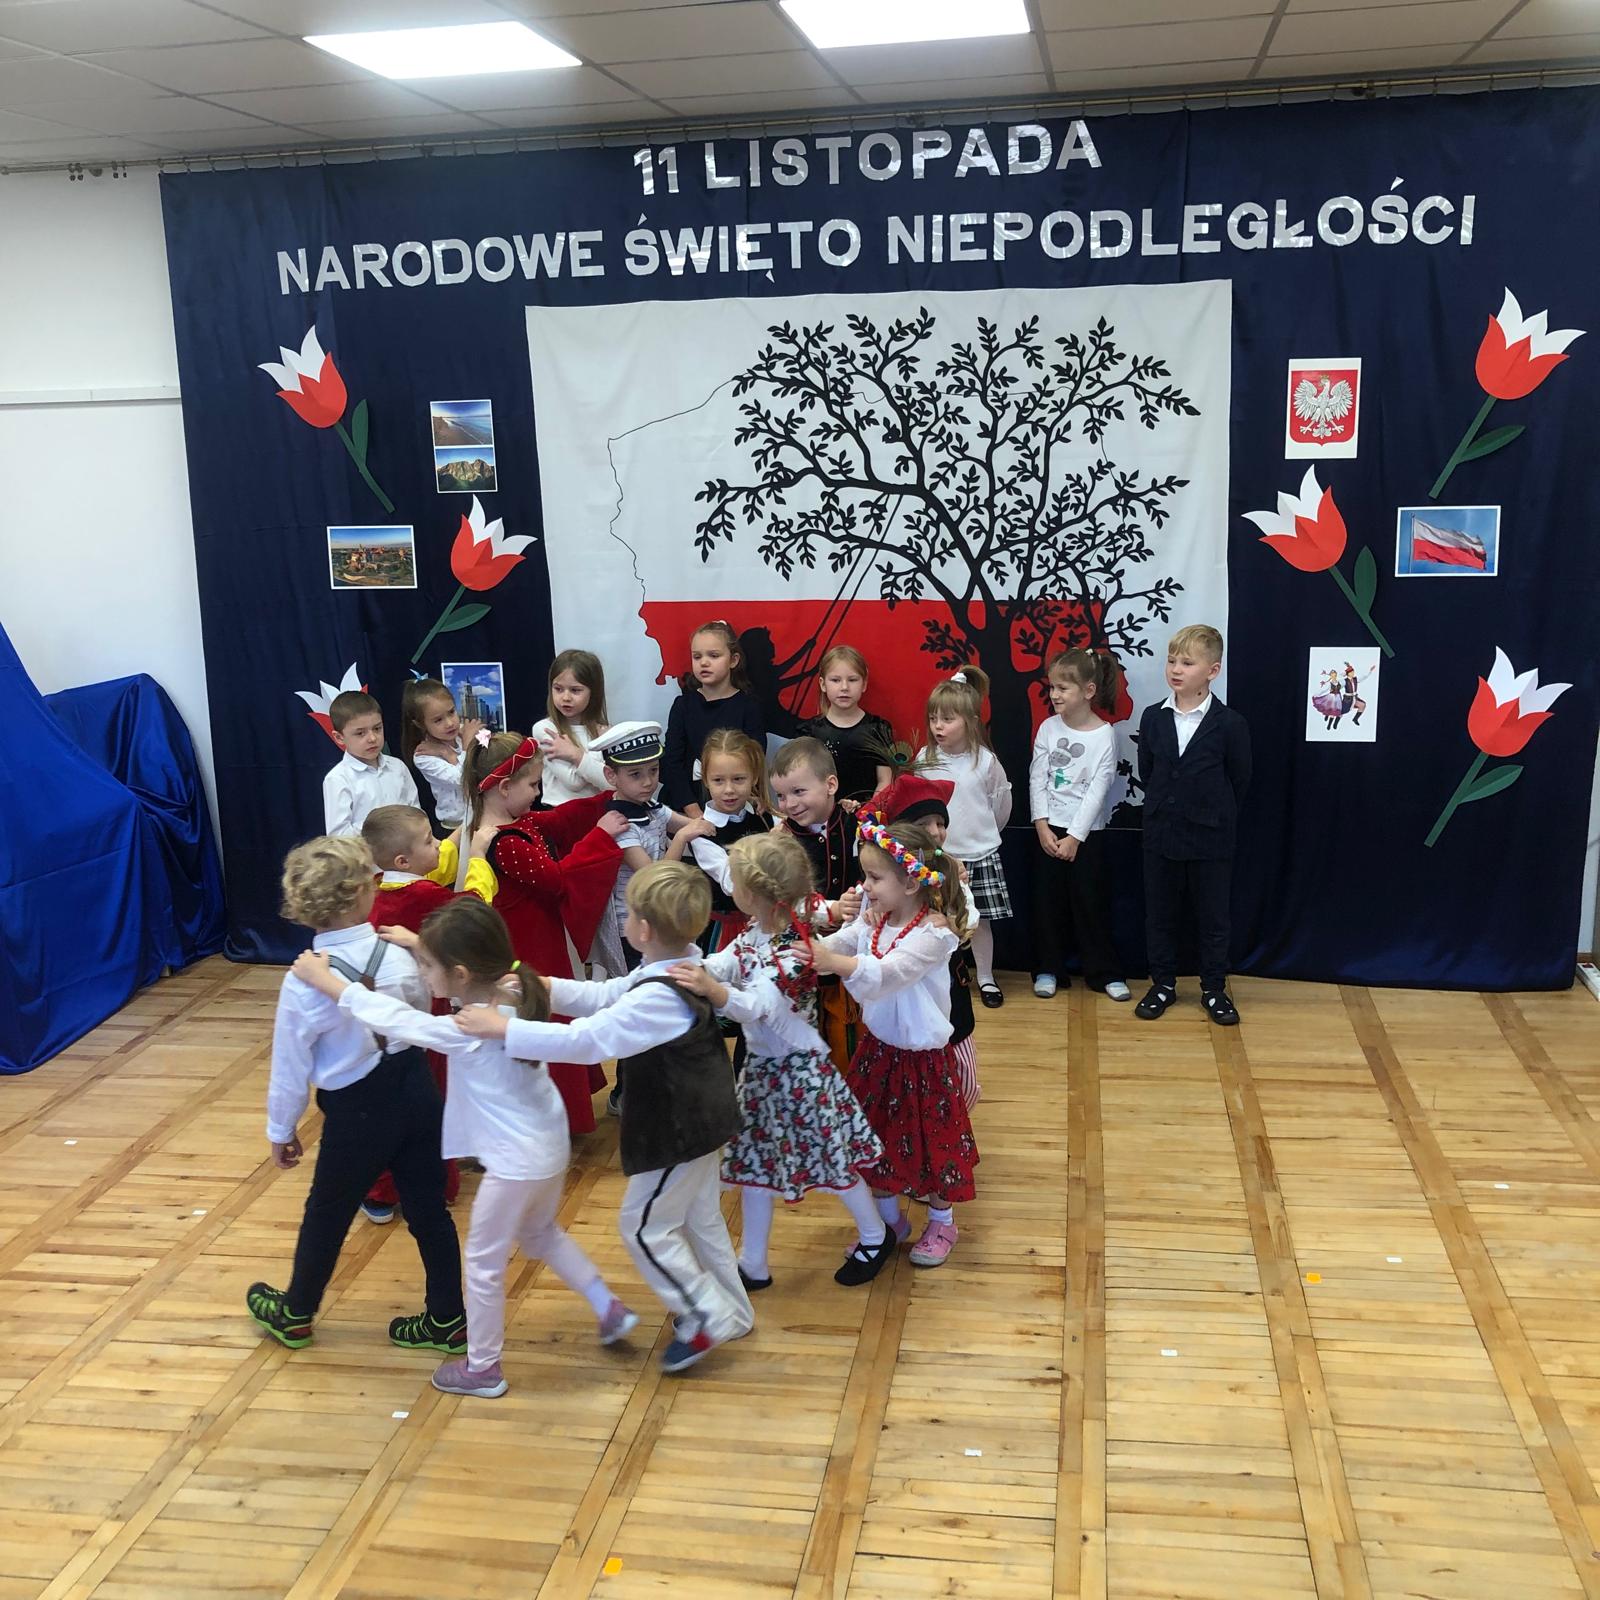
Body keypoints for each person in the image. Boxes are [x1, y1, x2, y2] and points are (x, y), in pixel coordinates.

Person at [291, 897, 638, 1400]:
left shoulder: (469, 1028)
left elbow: (396, 1018)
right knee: (540, 1233)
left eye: (427, 966)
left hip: (515, 1163)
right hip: (546, 1149)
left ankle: (483, 1367)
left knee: (482, 1262)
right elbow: (471, 969)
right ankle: (608, 1306)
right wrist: (420, 944)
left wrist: (331, 984)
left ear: (459, 974)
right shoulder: (515, 986)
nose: (421, 973)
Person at [458, 863, 752, 1375]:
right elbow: (606, 997)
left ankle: (706, 1314)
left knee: (643, 1227)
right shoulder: (677, 965)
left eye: (629, 914)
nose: (624, 920)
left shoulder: (660, 995)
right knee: (699, 1219)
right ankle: (732, 1310)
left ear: (643, 929)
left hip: (680, 1130)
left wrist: (502, 1029)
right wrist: (541, 987)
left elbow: (587, 1040)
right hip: (704, 1121)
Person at [246, 835, 464, 1355]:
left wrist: (281, 1129)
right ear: (367, 891)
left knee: (328, 1210)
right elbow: (420, 1009)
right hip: (417, 1089)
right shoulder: (401, 952)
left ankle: (297, 1313)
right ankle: (448, 1318)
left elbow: (290, 1066)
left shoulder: (305, 979)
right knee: (430, 1211)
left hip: (357, 1109)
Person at [669, 831, 893, 1291]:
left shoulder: (794, 950)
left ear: (755, 895)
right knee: (755, 1165)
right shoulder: (756, 931)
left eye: (735, 883)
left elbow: (756, 1005)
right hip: (763, 1074)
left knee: (833, 1160)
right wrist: (698, 970)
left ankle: (875, 1235)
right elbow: (728, 962)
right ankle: (753, 1261)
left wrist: (713, 991)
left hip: (803, 1075)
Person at [811, 819, 977, 1269]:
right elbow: (840, 941)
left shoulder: (934, 936)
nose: (865, 887)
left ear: (909, 883)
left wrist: (832, 961)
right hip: (878, 1053)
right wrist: (808, 949)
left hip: (924, 1061)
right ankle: (888, 1222)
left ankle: (942, 1221)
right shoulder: (874, 921)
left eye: (874, 877)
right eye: (865, 875)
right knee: (874, 1137)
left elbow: (887, 975)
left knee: (934, 1143)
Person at [461, 730, 626, 1130]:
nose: (538, 794)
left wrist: (612, 795)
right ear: (505, 787)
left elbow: (561, 818)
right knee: (542, 1020)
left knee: (553, 1014)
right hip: (528, 949)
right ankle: (545, 1115)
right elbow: (557, 880)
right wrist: (600, 836)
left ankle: (560, 1108)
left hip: (541, 941)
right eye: (534, 785)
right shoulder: (504, 842)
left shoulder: (519, 821)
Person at [353, 803, 495, 1225]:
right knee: (430, 1097)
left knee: (390, 1100)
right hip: (423, 1010)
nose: (438, 846)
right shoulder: (423, 896)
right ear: (403, 859)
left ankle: (381, 1188)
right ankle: (427, 1182)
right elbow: (470, 912)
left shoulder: (377, 887)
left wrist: (455, 838)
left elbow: (431, 868)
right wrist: (478, 857)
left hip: (381, 1015)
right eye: (430, 841)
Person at [1135, 624, 1252, 1026]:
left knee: (1213, 917)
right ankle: (1163, 983)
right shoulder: (1153, 717)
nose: (1176, 669)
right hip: (1161, 834)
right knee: (1160, 914)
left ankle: (1214, 988)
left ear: (1212, 671)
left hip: (1210, 838)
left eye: (1187, 663)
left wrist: (1208, 813)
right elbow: (1149, 771)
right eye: (1172, 661)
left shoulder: (1230, 724)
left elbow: (1239, 780)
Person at [860, 773, 983, 1113]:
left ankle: (953, 1125)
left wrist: (953, 924)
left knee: (964, 1077)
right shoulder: (884, 882)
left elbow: (970, 918)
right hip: (906, 1006)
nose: (935, 831)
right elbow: (865, 912)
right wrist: (866, 913)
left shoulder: (951, 872)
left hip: (950, 998)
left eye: (940, 823)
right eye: (923, 823)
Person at [1028, 650, 1131, 1003]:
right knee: (1047, 905)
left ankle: (1104, 972)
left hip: (1086, 836)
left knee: (1090, 905)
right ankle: (1048, 968)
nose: (1055, 695)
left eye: (1063, 688)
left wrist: (1075, 837)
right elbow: (1037, 779)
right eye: (1052, 687)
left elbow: (1098, 790)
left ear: (1088, 691)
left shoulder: (1104, 735)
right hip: (1048, 832)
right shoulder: (1048, 728)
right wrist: (1042, 826)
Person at [915, 667, 1013, 1009]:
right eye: (933, 719)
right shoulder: (924, 760)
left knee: (979, 921)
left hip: (979, 854)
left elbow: (1001, 806)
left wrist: (983, 835)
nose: (938, 727)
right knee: (937, 921)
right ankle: (941, 978)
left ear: (970, 721)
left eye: (947, 719)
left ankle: (985, 978)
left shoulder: (985, 762)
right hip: (939, 857)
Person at [770, 737, 866, 1071]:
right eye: (781, 795)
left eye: (799, 791)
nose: (789, 804)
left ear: (831, 785)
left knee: (849, 1030)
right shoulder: (782, 840)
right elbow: (785, 897)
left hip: (853, 947)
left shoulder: (859, 824)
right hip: (802, 952)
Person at [589, 720, 689, 984]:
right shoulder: (621, 823)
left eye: (653, 770)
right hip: (632, 927)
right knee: (640, 987)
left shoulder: (651, 805)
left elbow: (687, 824)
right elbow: (654, 877)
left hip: (655, 917)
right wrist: (681, 838)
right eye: (635, 774)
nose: (648, 782)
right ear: (611, 776)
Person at [668, 728, 774, 956]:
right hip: (728, 929)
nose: (729, 790)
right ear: (706, 780)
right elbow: (730, 882)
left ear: (754, 777)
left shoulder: (764, 817)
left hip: (768, 920)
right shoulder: (704, 833)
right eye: (718, 780)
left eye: (738, 779)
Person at [662, 620, 767, 817]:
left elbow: (756, 758)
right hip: (685, 804)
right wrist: (693, 811)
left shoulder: (748, 707)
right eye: (697, 656)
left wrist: (752, 795)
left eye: (714, 655)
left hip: (733, 801)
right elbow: (671, 762)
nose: (704, 662)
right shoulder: (683, 706)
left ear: (733, 660)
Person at [796, 644, 896, 802]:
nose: (844, 687)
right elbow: (803, 782)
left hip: (868, 814)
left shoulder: (878, 728)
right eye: (835, 680)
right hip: (823, 812)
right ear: (823, 684)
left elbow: (885, 781)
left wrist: (867, 811)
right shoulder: (809, 732)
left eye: (852, 680)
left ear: (864, 684)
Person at [323, 689, 418, 837]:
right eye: (360, 733)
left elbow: (416, 812)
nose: (372, 738)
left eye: (377, 728)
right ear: (339, 738)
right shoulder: (338, 779)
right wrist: (382, 826)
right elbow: (338, 835)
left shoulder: (398, 767)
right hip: (365, 852)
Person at [531, 649, 612, 805]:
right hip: (558, 812)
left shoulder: (605, 731)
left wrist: (575, 754)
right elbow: (573, 782)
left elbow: (611, 784)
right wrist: (595, 751)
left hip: (598, 812)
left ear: (593, 693)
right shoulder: (545, 728)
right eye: (558, 689)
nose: (566, 697)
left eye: (575, 690)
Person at [401, 678, 481, 829]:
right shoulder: (423, 756)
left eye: (451, 712)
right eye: (438, 720)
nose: (450, 723)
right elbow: (462, 778)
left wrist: (450, 753)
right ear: (420, 724)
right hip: (455, 827)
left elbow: (493, 749)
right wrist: (463, 748)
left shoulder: (462, 732)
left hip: (483, 818)